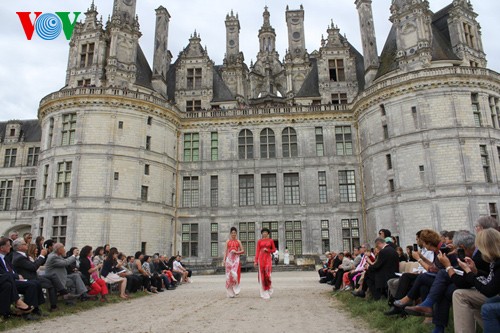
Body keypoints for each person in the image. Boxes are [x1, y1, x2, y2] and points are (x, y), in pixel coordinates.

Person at [451, 228, 500, 333]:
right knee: (487, 303)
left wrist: (468, 272)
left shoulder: (496, 261)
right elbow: (492, 280)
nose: (478, 250)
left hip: (495, 294)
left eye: (479, 247)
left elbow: (489, 291)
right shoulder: (495, 260)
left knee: (487, 307)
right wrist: (475, 271)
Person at [254, 228, 276, 299]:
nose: (264, 233)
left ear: (268, 233)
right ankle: (264, 291)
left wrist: (268, 250)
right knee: (262, 275)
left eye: (266, 232)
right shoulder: (259, 241)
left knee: (268, 274)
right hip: (261, 259)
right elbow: (257, 251)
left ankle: (269, 289)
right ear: (262, 233)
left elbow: (274, 250)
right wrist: (256, 261)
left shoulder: (271, 241)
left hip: (268, 259)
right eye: (263, 232)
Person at [223, 227, 244, 298]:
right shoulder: (227, 241)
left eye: (235, 233)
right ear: (230, 234)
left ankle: (236, 289)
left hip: (236, 259)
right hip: (229, 260)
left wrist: (236, 252)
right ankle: (230, 292)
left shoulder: (238, 241)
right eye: (232, 233)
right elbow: (225, 251)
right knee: (228, 276)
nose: (233, 234)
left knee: (234, 274)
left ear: (236, 234)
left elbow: (243, 251)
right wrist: (224, 260)